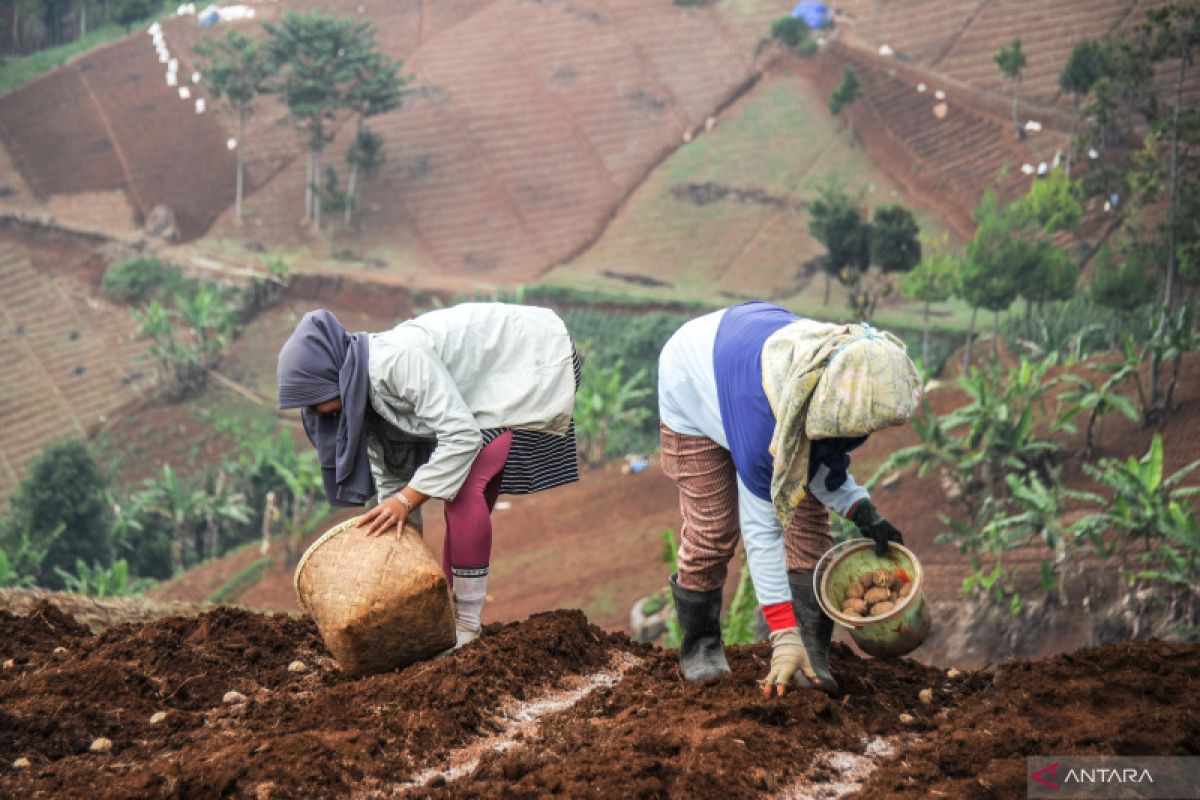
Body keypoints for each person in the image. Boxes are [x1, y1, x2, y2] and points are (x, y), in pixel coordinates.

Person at [276, 303, 582, 647]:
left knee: (465, 492)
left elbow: (462, 437)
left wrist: (406, 501)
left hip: (529, 358)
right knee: (459, 497)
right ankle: (447, 617)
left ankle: (466, 624)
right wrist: (400, 547)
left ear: (331, 374)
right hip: (480, 389)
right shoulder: (358, 394)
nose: (314, 412)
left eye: (313, 399)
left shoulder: (394, 362)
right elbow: (391, 475)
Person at [657, 301, 920, 697]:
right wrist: (782, 633)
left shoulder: (838, 372)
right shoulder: (764, 419)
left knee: (810, 526)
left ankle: (812, 653)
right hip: (693, 384)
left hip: (744, 355)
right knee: (714, 528)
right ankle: (702, 646)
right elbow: (762, 531)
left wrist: (860, 508)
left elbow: (818, 460)